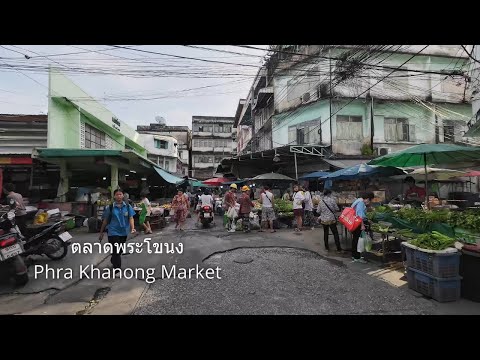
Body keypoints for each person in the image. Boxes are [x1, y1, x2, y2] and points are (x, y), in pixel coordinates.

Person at [99, 189, 136, 269]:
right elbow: (105, 220)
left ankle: (114, 259)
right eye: (117, 194)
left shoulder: (127, 206)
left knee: (119, 251)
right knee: (116, 250)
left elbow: (131, 217)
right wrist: (101, 232)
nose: (119, 196)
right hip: (113, 231)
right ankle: (117, 269)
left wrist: (132, 228)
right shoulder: (110, 207)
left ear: (123, 196)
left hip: (124, 232)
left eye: (120, 194)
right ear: (114, 196)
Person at [350, 192, 374, 263]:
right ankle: (357, 257)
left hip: (354, 222)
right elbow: (359, 216)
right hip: (358, 223)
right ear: (367, 199)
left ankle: (354, 256)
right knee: (357, 240)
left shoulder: (358, 200)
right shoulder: (361, 203)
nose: (369, 202)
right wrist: (362, 225)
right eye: (369, 200)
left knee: (355, 239)